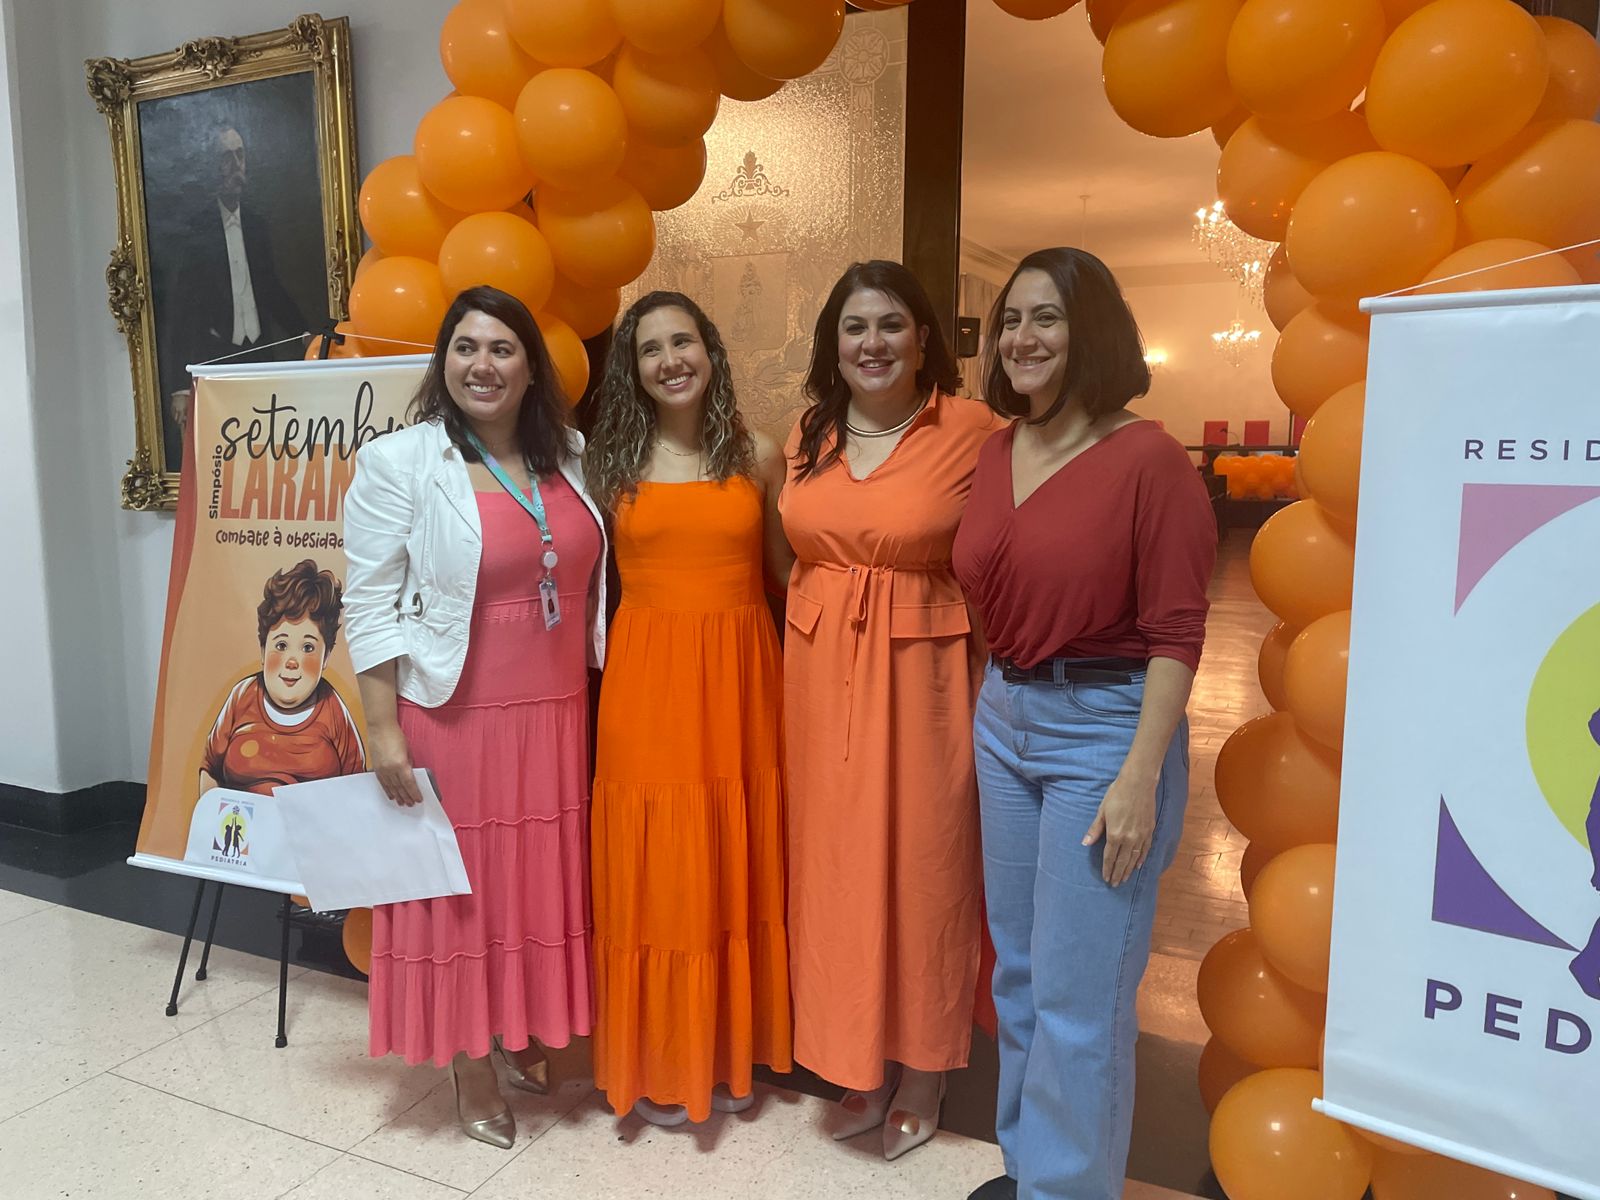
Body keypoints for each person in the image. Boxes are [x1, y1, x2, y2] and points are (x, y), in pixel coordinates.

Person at [952, 248, 1216, 1200]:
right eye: (1012, 320)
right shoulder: (997, 451)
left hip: (1104, 733)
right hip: (1005, 714)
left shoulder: (1149, 460)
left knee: (1080, 995)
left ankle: (1067, 1191)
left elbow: (1178, 631)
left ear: (1091, 330)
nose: (1022, 338)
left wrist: (1141, 774)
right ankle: (1032, 1172)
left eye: (1048, 318)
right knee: (1019, 977)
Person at [342, 285, 607, 1150]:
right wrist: (382, 729)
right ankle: (470, 1062)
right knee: (461, 900)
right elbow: (369, 604)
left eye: (501, 348)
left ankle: (519, 1031)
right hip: (455, 717)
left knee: (530, 889)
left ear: (531, 367)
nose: (481, 365)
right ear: (443, 362)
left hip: (556, 717)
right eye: (465, 347)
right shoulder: (401, 461)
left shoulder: (569, 453)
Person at [780, 260, 1003, 1161]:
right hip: (816, 670)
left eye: (890, 325)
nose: (872, 344)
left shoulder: (976, 431)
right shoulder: (809, 432)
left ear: (922, 340)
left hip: (925, 675)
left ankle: (923, 1069)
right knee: (833, 868)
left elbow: (1002, 558)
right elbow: (787, 551)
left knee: (925, 867)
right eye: (854, 327)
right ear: (833, 344)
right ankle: (855, 1056)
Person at [583, 291, 792, 1127]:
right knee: (660, 865)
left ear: (711, 350)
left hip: (742, 679)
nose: (670, 360)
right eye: (650, 349)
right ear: (632, 370)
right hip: (646, 683)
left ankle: (728, 1050)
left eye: (683, 341)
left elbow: (786, 574)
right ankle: (661, 1058)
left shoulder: (761, 453)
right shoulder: (607, 464)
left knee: (732, 854)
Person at [159, 123, 307, 462]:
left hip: (261, 357)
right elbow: (181, 312)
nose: (236, 166)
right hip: (217, 361)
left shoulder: (256, 225)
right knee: (227, 461)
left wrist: (304, 332)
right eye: (226, 158)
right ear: (212, 166)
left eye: (240, 155)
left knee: (268, 456)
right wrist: (180, 386)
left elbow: (271, 289)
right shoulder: (195, 231)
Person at [199, 558, 365, 797]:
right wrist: (212, 816)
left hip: (309, 821)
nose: (292, 661)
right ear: (263, 649)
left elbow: (357, 788)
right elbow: (210, 770)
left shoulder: (333, 711)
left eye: (307, 648)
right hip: (241, 819)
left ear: (325, 657)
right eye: (281, 645)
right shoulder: (243, 696)